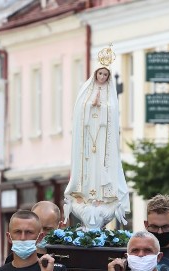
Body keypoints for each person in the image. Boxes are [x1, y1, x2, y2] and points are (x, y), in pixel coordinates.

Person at [63, 48, 130, 230]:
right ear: (95, 74)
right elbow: (79, 112)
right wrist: (90, 106)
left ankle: (102, 196)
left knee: (101, 164)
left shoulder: (110, 93)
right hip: (87, 139)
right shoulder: (86, 90)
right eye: (100, 73)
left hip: (103, 140)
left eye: (105, 74)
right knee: (89, 166)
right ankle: (85, 194)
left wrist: (102, 108)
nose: (102, 77)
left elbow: (113, 114)